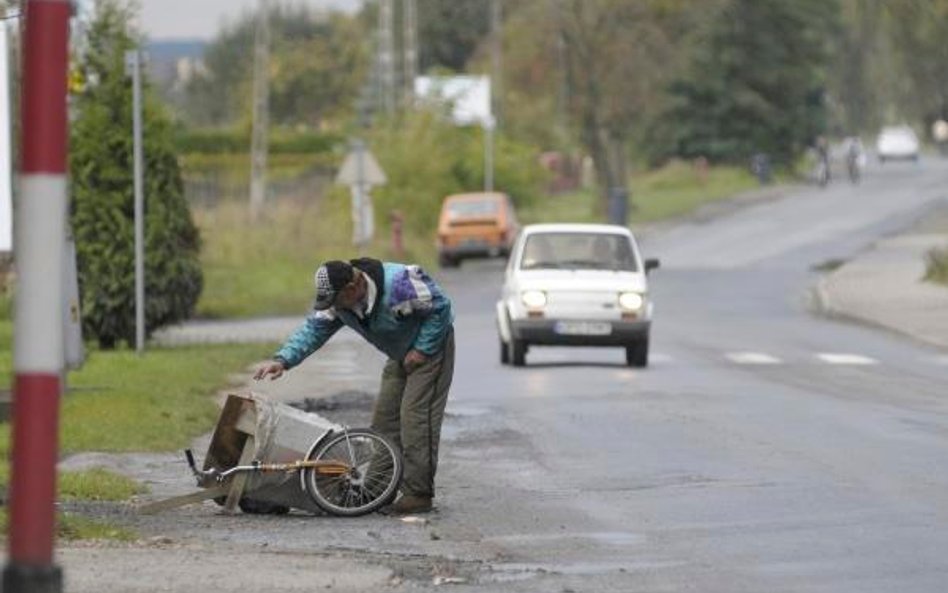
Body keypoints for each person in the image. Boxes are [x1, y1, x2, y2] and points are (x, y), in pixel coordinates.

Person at [254, 258, 455, 515]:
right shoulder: (339, 303)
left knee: (415, 419)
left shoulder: (401, 284)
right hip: (399, 354)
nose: (334, 307)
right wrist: (283, 360)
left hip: (431, 350)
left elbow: (441, 308)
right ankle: (378, 491)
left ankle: (418, 494)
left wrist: (423, 349)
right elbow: (313, 330)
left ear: (353, 287)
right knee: (384, 423)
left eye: (336, 300)